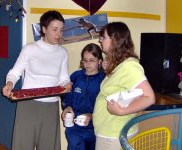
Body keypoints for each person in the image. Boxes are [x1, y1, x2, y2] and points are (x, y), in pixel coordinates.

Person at [2, 10, 71, 150]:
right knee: (23, 144)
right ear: (44, 29)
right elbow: (15, 72)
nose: (59, 34)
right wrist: (9, 83)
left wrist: (67, 84)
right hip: (28, 104)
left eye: (61, 30)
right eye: (55, 29)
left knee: (48, 146)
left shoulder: (63, 52)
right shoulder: (30, 49)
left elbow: (63, 78)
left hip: (51, 106)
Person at [92, 22, 155, 150]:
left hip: (114, 133)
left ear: (114, 39)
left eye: (103, 37)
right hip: (110, 131)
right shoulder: (120, 64)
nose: (100, 40)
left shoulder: (129, 66)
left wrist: (121, 111)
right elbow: (119, 87)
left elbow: (149, 97)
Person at [61, 43, 105, 150]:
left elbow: (106, 104)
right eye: (85, 60)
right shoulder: (76, 76)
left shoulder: (104, 79)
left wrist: (92, 115)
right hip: (74, 127)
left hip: (95, 129)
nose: (87, 64)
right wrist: (67, 107)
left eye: (92, 60)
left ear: (99, 61)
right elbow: (66, 95)